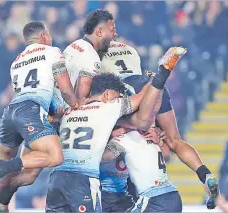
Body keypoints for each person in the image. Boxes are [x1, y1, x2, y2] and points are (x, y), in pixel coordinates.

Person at [0, 21, 80, 213]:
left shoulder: (17, 61)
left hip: (10, 113)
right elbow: (66, 90)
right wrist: (77, 104)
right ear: (44, 36)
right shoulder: (53, 52)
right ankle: (6, 166)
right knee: (54, 156)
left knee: (25, 174)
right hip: (31, 112)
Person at [45, 47, 186, 212]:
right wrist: (156, 79)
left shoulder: (70, 110)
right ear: (106, 95)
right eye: (117, 96)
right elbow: (142, 110)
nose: (119, 99)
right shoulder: (106, 108)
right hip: (84, 181)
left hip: (57, 179)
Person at [100, 41, 220, 209]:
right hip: (152, 87)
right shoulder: (133, 57)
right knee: (174, 140)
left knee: (133, 125)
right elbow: (166, 152)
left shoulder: (103, 77)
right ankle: (204, 173)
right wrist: (159, 138)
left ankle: (161, 76)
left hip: (122, 91)